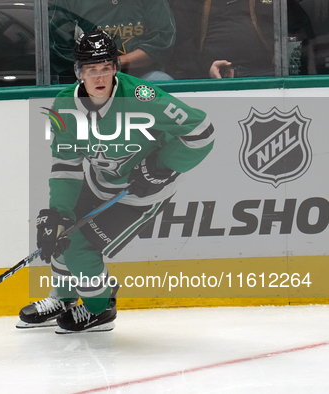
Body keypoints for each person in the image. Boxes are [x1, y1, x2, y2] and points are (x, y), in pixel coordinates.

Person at [17, 31, 214, 333]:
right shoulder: (64, 105)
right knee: (60, 234)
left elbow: (201, 132)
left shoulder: (140, 97)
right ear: (78, 73)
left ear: (115, 68)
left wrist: (160, 166)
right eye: (92, 70)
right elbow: (66, 166)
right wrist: (58, 212)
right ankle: (64, 297)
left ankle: (100, 307)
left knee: (80, 248)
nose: (100, 77)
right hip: (100, 182)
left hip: (139, 195)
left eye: (106, 68)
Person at [48, 0, 176, 84]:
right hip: (87, 79)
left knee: (163, 82)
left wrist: (115, 63)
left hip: (141, 76)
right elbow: (59, 48)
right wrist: (95, 68)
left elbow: (163, 41)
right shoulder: (66, 2)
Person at [167, 0, 275, 79]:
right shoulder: (187, 3)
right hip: (209, 78)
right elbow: (178, 44)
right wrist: (207, 66)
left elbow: (290, 27)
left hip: (268, 73)